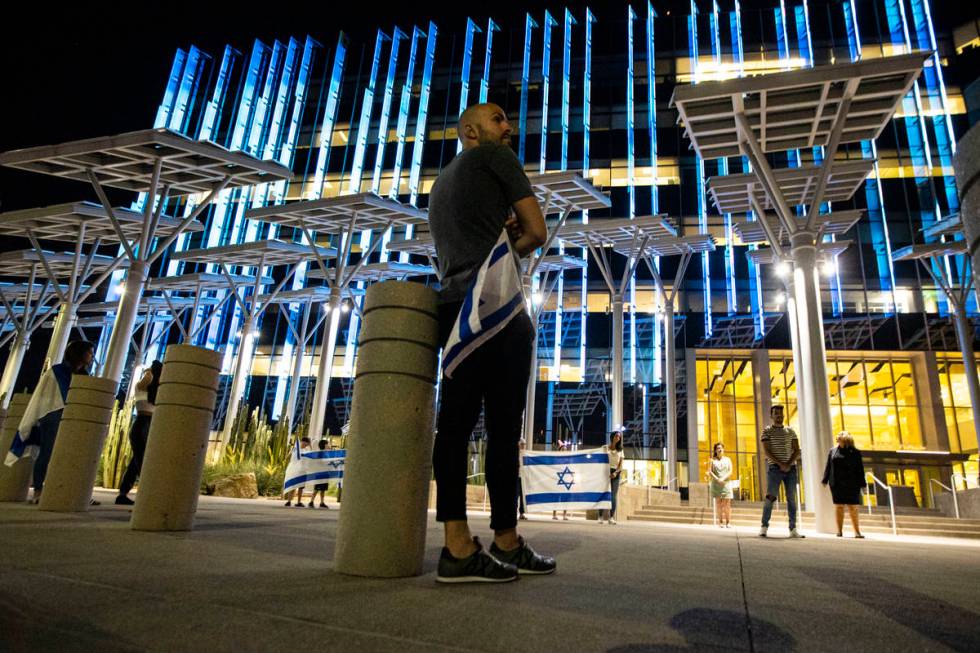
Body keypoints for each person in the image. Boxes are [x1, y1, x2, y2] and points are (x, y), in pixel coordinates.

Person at [429, 102, 555, 583]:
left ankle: (455, 546)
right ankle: (506, 540)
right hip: (498, 310)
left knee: (454, 427)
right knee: (503, 432)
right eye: (499, 119)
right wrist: (513, 247)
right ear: (471, 131)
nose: (510, 126)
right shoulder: (498, 160)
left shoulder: (442, 184)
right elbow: (537, 232)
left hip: (455, 311)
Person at [6, 341, 95, 504]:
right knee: (48, 452)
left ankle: (68, 490)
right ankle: (38, 490)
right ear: (78, 353)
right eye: (89, 352)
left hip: (73, 417)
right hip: (53, 415)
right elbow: (46, 395)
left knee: (70, 454)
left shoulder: (84, 376)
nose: (92, 356)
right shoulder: (57, 372)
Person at [115, 360, 162, 505]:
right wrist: (150, 371)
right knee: (143, 462)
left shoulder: (154, 391)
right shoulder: (143, 386)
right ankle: (147, 493)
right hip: (143, 425)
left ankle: (123, 493)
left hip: (147, 425)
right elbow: (147, 380)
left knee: (135, 463)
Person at [759, 404, 804, 538]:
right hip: (774, 469)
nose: (779, 415)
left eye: (781, 413)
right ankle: (764, 526)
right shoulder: (767, 431)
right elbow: (767, 451)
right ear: (771, 416)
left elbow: (797, 450)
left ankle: (793, 528)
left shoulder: (791, 431)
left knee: (792, 498)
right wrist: (781, 464)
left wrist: (788, 464)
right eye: (776, 413)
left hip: (791, 469)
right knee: (770, 497)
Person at [822, 431, 866, 538]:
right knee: (839, 507)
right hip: (836, 484)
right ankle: (839, 531)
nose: (837, 437)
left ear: (846, 439)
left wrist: (863, 484)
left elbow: (860, 469)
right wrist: (825, 479)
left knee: (853, 507)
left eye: (840, 435)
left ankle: (857, 532)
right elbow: (828, 466)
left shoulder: (855, 452)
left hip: (852, 483)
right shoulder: (833, 451)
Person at [599, 431, 624, 525]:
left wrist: (616, 473)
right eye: (617, 436)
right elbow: (598, 459)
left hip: (616, 474)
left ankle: (611, 517)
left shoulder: (621, 450)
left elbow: (621, 465)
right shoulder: (605, 447)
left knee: (613, 495)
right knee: (603, 493)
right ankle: (600, 516)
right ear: (612, 437)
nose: (618, 438)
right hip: (605, 472)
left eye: (620, 437)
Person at [707, 442, 733, 528]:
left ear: (723, 449)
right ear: (715, 450)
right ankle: (720, 522)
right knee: (718, 503)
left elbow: (730, 471)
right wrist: (718, 479)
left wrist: (723, 478)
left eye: (721, 448)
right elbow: (710, 471)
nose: (720, 449)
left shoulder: (728, 459)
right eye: (718, 448)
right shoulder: (712, 460)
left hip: (726, 484)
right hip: (716, 484)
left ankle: (728, 522)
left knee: (727, 504)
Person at [284, 437, 312, 507]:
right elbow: (288, 456)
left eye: (308, 444)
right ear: (303, 442)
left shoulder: (305, 450)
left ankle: (298, 502)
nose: (307, 445)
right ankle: (289, 501)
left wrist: (310, 447)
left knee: (301, 487)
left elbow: (311, 457)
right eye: (307, 443)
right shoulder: (295, 449)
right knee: (293, 486)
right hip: (295, 470)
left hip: (302, 471)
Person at [309, 439, 331, 509]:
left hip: (325, 472)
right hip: (320, 473)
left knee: (323, 489)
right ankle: (311, 501)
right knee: (317, 488)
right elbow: (320, 462)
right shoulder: (320, 453)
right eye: (328, 444)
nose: (329, 445)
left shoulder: (327, 453)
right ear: (324, 445)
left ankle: (322, 502)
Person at [552, 440, 570, 521]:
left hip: (565, 480)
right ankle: (554, 514)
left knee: (565, 498)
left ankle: (564, 514)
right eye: (563, 449)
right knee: (556, 498)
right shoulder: (556, 458)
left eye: (565, 449)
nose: (564, 450)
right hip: (557, 480)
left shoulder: (569, 459)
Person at [517, 438, 527, 520]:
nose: (523, 446)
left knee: (523, 497)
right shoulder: (516, 454)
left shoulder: (527, 455)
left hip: (523, 478)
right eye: (522, 444)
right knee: (515, 495)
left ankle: (522, 513)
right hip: (517, 477)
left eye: (524, 444)